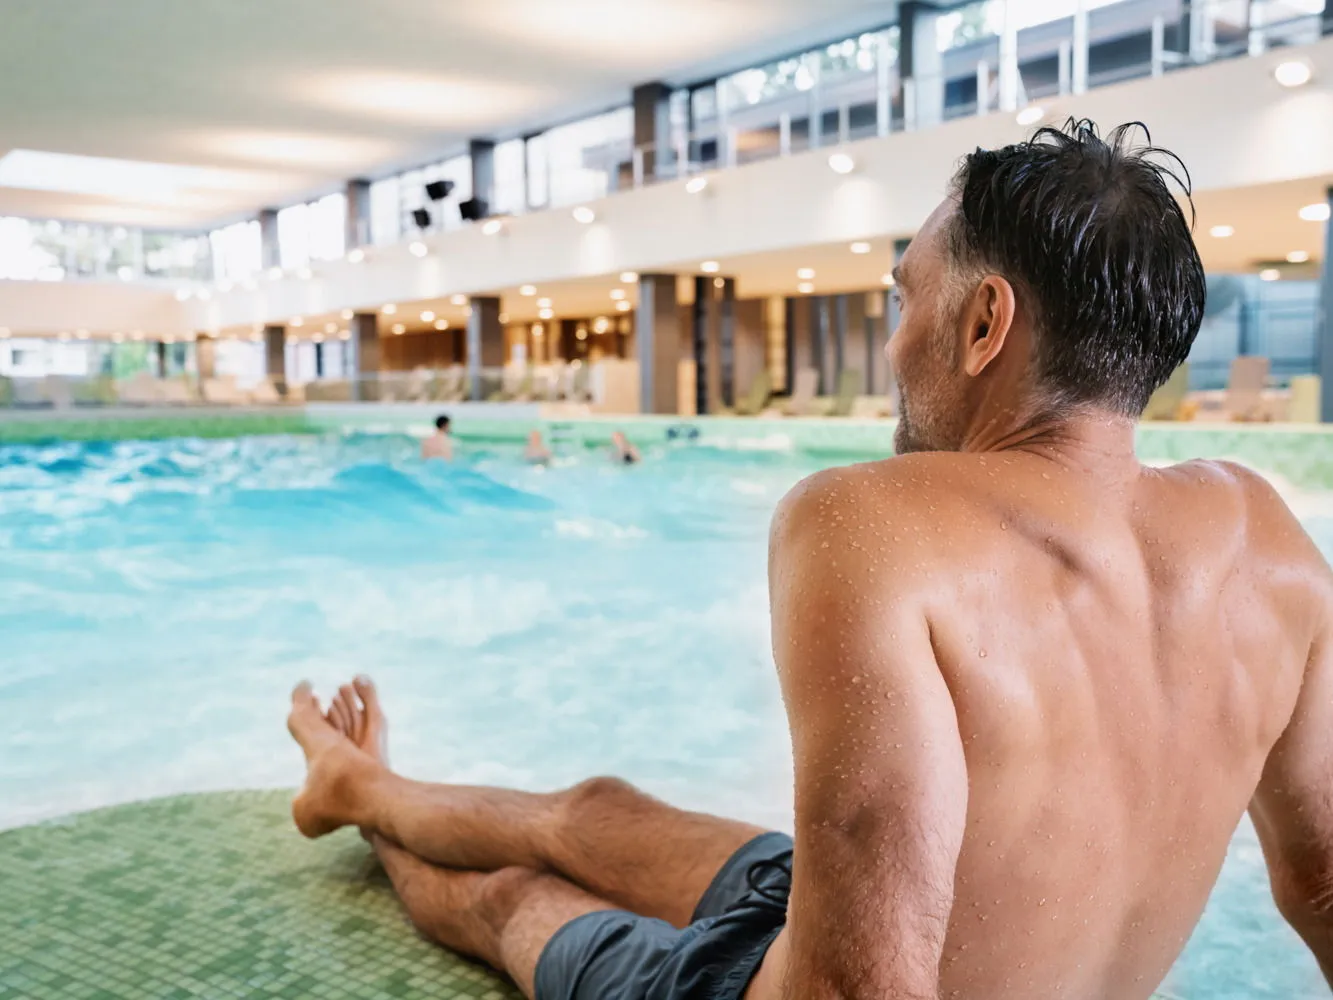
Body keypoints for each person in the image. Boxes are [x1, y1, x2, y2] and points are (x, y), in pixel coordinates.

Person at [286, 119, 1333, 1000]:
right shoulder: (1268, 542)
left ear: (981, 323)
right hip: (823, 920)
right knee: (594, 811)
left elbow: (854, 990)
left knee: (515, 899)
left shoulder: (872, 523)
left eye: (900, 299)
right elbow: (1324, 883)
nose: (891, 343)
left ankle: (373, 827)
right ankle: (361, 785)